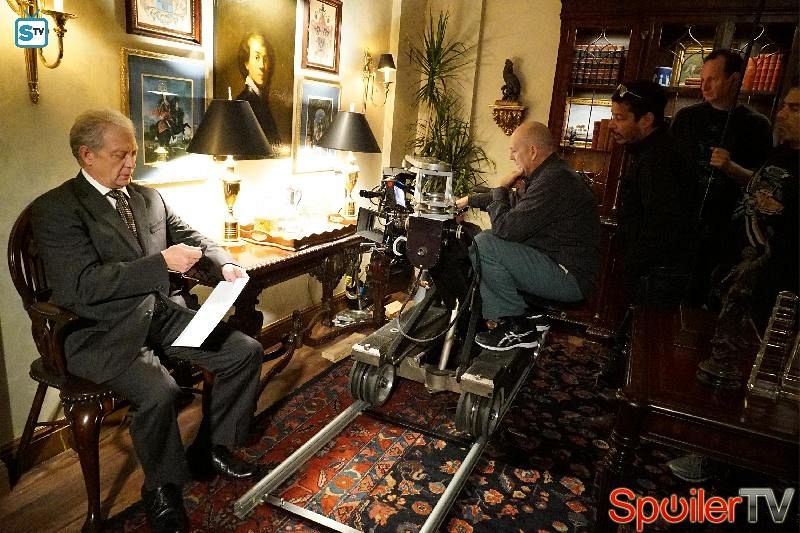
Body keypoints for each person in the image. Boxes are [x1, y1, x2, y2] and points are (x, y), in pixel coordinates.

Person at [30, 109, 264, 532]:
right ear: (86, 155)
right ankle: (161, 487)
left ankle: (212, 448)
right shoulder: (56, 209)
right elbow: (82, 285)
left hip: (160, 314)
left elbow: (191, 236)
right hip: (99, 328)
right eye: (119, 155)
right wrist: (161, 263)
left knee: (243, 351)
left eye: (134, 153)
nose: (130, 164)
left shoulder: (147, 197)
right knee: (160, 392)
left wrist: (224, 262)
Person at [669, 85, 799, 484]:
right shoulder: (782, 153)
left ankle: (734, 463)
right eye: (784, 106)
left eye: (794, 108)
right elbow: (758, 190)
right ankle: (711, 449)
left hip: (776, 289)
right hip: (738, 272)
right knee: (722, 360)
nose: (781, 114)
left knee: (755, 376)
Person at [455, 121, 600, 351]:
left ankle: (516, 325)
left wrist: (501, 189)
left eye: (514, 150)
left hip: (570, 278)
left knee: (485, 244)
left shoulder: (554, 181)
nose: (511, 157)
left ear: (532, 151)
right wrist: (468, 201)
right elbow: (515, 203)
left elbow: (506, 229)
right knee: (489, 239)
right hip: (560, 266)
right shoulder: (552, 174)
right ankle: (530, 316)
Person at [670, 49, 772, 307]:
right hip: (681, 227)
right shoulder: (686, 118)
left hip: (726, 234)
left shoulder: (756, 125)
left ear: (734, 80)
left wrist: (730, 167)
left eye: (712, 79)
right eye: (702, 78)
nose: (704, 86)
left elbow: (764, 186)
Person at [609, 80, 698, 302]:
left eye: (620, 118)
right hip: (655, 272)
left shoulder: (660, 160)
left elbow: (662, 226)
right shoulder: (650, 152)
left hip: (658, 276)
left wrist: (631, 265)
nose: (611, 125)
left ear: (647, 120)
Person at [236, 32, 281, 147]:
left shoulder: (262, 101)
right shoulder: (242, 104)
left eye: (265, 59)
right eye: (257, 57)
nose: (261, 65)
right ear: (246, 63)